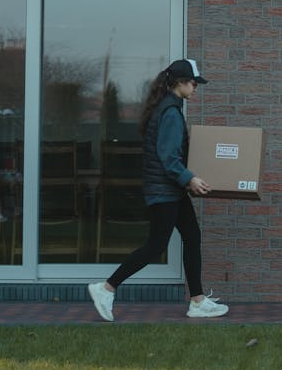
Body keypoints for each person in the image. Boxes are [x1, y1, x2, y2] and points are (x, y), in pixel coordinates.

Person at [87, 58, 229, 321]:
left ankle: (197, 301)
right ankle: (106, 288)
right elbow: (168, 157)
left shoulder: (166, 106)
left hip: (170, 190)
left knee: (192, 236)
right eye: (193, 83)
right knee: (155, 246)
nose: (195, 88)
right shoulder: (171, 113)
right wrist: (190, 179)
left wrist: (186, 180)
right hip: (164, 191)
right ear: (180, 83)